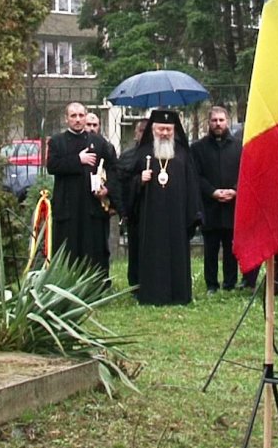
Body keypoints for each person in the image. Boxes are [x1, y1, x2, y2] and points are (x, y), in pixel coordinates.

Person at [129, 109, 202, 305]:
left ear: (174, 130)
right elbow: (127, 180)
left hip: (177, 216)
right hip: (150, 215)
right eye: (161, 129)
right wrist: (139, 181)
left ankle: (179, 295)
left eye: (168, 129)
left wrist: (193, 213)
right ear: (152, 129)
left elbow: (192, 183)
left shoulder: (182, 153)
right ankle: (152, 295)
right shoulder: (143, 152)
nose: (164, 133)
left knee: (177, 253)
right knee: (152, 253)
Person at [46, 102, 116, 280]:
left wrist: (107, 189)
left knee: (94, 249)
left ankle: (97, 287)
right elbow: (53, 166)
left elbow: (114, 168)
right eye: (73, 116)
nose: (77, 120)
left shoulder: (99, 142)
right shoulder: (57, 142)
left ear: (86, 117)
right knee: (68, 249)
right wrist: (78, 160)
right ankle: (66, 286)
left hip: (92, 206)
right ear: (66, 119)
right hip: (68, 206)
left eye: (81, 115)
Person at [190, 105, 244, 292]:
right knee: (210, 249)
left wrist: (235, 191)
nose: (218, 124)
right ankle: (211, 284)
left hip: (232, 205)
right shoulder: (198, 148)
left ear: (227, 122)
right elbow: (196, 176)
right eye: (214, 120)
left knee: (231, 249)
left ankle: (230, 283)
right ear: (209, 123)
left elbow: (245, 174)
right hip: (210, 206)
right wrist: (212, 192)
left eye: (221, 120)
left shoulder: (239, 147)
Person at [113, 119, 148, 287]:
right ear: (135, 133)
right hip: (135, 211)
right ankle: (136, 284)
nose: (144, 134)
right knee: (135, 249)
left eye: (147, 131)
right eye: (141, 130)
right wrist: (138, 181)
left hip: (156, 212)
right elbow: (121, 185)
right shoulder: (127, 156)